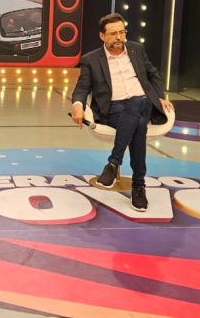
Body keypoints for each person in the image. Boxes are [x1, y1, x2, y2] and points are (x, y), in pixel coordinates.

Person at [69, 13, 173, 211]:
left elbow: (153, 74)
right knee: (139, 125)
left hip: (143, 102)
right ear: (102, 36)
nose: (119, 37)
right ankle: (138, 186)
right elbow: (82, 87)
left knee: (137, 101)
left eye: (122, 32)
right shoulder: (90, 59)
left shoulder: (137, 49)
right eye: (113, 33)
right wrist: (77, 104)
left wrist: (159, 95)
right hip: (113, 108)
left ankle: (113, 163)